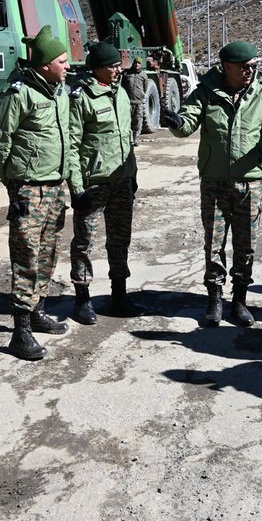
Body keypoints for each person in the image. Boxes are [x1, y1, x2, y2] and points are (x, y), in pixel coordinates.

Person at [160, 40, 262, 327]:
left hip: (249, 183)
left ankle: (239, 300)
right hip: (214, 181)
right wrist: (176, 122)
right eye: (244, 67)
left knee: (246, 245)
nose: (250, 71)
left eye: (253, 66)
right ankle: (214, 299)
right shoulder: (205, 92)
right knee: (213, 244)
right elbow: (188, 123)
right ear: (226, 67)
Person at [0, 25, 80, 361]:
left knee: (48, 254)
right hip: (29, 189)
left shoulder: (60, 92)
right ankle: (20, 332)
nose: (68, 66)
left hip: (55, 188)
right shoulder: (19, 94)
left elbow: (68, 138)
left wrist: (71, 181)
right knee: (25, 258)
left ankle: (38, 312)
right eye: (62, 61)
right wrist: (12, 182)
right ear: (44, 65)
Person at [68, 42, 143, 324]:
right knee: (84, 242)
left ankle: (119, 295)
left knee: (120, 239)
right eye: (112, 66)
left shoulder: (121, 93)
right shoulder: (82, 98)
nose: (117, 69)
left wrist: (133, 174)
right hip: (94, 184)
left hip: (122, 181)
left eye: (117, 65)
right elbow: (72, 146)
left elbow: (127, 140)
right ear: (96, 68)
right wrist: (77, 189)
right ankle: (82, 299)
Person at [122, 58, 151, 136]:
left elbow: (145, 87)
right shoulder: (126, 74)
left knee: (137, 121)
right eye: (135, 62)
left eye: (138, 63)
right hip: (127, 102)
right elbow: (122, 86)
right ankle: (127, 138)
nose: (137, 64)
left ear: (141, 64)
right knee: (126, 121)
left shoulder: (143, 75)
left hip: (138, 102)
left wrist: (141, 95)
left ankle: (134, 139)